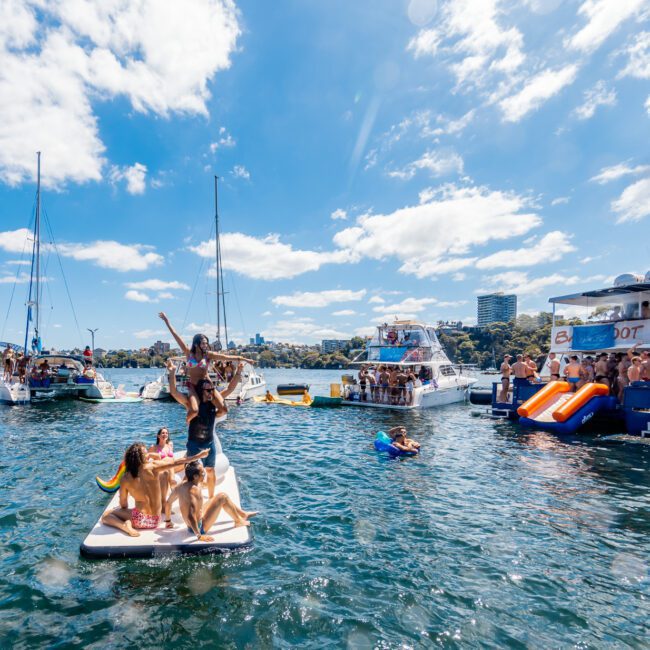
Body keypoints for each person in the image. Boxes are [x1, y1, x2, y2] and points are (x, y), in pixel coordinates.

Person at [167, 358, 242, 498]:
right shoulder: (191, 404)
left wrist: (239, 372)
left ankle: (211, 497)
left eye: (212, 390)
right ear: (201, 391)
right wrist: (171, 373)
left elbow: (230, 389)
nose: (211, 393)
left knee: (210, 471)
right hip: (194, 445)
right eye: (208, 390)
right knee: (191, 475)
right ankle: (179, 496)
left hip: (209, 444)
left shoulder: (213, 404)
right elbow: (174, 392)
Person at [159, 312, 252, 423]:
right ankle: (188, 423)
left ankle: (209, 420)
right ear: (197, 344)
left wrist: (245, 359)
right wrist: (167, 321)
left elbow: (226, 357)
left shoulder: (208, 355)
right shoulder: (189, 353)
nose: (206, 345)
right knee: (193, 410)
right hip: (193, 386)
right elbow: (176, 336)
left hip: (207, 385)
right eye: (203, 343)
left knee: (224, 409)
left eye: (206, 343)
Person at [101, 442, 209, 537]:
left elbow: (124, 504)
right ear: (142, 457)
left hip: (139, 520)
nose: (148, 454)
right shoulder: (153, 467)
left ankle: (124, 526)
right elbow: (177, 462)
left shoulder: (125, 478)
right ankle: (127, 524)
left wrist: (123, 510)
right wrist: (199, 456)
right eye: (145, 453)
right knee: (164, 472)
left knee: (106, 515)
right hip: (156, 520)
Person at [164, 461, 257, 541]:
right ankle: (238, 521)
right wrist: (199, 536)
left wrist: (168, 521)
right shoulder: (193, 492)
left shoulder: (180, 486)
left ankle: (242, 514)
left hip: (191, 524)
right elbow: (190, 516)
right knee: (222, 497)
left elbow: (168, 503)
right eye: (202, 473)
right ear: (195, 476)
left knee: (215, 498)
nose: (204, 474)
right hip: (199, 527)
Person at [148, 427, 175, 512]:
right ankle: (164, 504)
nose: (165, 434)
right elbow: (146, 459)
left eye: (166, 433)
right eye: (163, 433)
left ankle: (167, 502)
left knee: (170, 468)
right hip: (161, 470)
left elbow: (172, 459)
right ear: (158, 436)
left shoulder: (170, 445)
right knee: (166, 473)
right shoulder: (154, 447)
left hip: (170, 468)